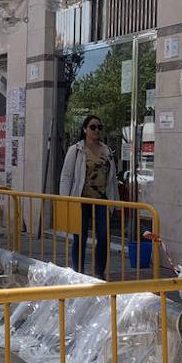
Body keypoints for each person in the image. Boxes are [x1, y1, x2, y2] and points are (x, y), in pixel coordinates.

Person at [59, 115, 119, 277]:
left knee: (103, 236)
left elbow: (112, 178)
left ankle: (100, 273)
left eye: (99, 127)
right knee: (80, 236)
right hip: (81, 199)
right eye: (93, 127)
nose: (96, 130)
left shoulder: (107, 150)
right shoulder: (76, 150)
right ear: (85, 129)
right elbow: (66, 176)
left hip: (102, 200)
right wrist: (65, 201)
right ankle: (78, 273)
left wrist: (116, 202)